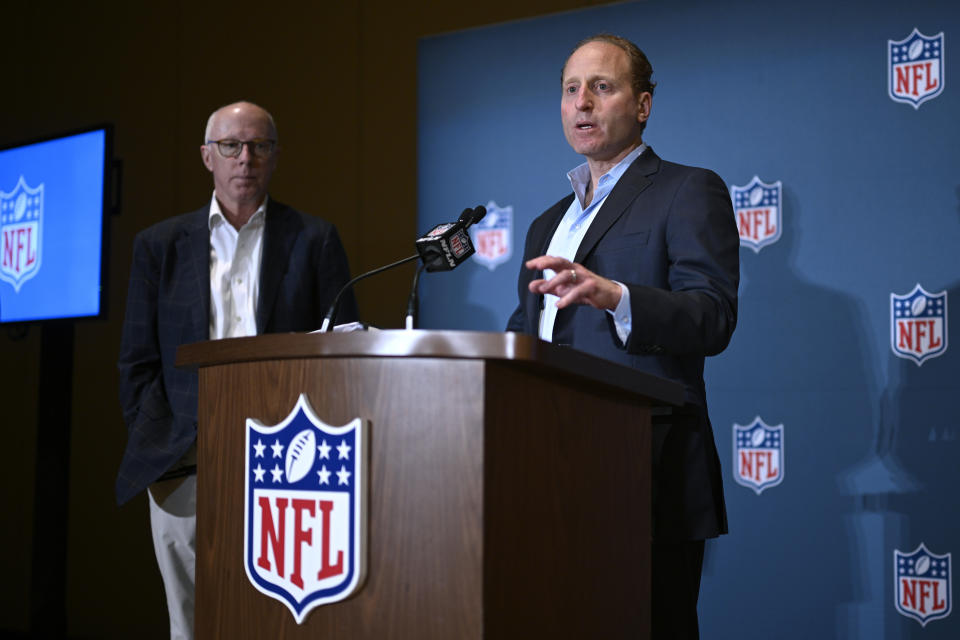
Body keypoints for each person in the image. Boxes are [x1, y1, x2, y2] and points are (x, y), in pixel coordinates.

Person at [506, 35, 739, 638]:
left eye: (601, 87)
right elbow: (526, 334)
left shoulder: (687, 190)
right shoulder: (545, 224)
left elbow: (711, 316)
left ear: (643, 105)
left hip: (646, 467)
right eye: (570, 89)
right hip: (551, 475)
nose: (582, 103)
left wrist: (618, 296)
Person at [115, 101, 357, 639]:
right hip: (183, 460)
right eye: (231, 146)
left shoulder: (315, 239)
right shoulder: (159, 247)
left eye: (259, 146)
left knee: (278, 617)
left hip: (287, 461)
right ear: (207, 156)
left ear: (274, 157)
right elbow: (136, 362)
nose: (244, 158)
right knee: (191, 620)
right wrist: (160, 434)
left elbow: (344, 348)